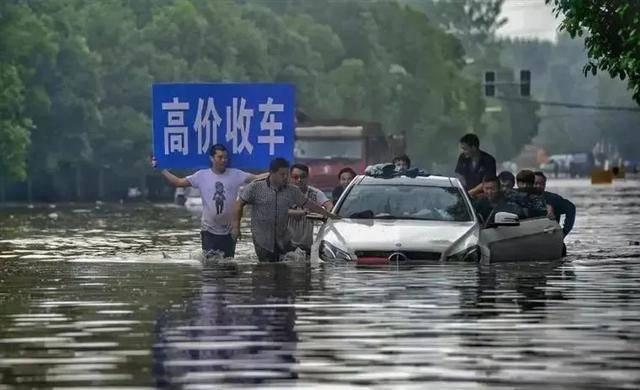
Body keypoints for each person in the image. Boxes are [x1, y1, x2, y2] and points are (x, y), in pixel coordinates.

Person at [152, 144, 266, 258]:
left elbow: (256, 178)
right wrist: (162, 169)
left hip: (230, 229)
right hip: (209, 229)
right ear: (212, 158)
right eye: (220, 157)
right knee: (210, 265)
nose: (223, 160)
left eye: (225, 157)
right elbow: (178, 182)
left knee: (229, 264)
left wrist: (276, 172)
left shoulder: (235, 174)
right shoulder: (202, 175)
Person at [232, 158, 339, 262]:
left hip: (283, 239)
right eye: (282, 174)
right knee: (266, 270)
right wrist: (236, 226)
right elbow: (239, 204)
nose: (285, 177)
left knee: (286, 270)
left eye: (287, 174)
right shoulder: (255, 187)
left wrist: (330, 215)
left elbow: (310, 204)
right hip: (262, 239)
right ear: (272, 173)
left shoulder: (292, 191)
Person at [288, 163, 334, 254]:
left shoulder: (314, 193)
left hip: (306, 244)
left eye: (303, 177)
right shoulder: (283, 193)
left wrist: (324, 215)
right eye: (295, 177)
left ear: (308, 177)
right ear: (290, 177)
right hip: (285, 243)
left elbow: (329, 205)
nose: (299, 180)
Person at [534, 171, 576, 236]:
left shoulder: (553, 198)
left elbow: (571, 208)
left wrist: (563, 233)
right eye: (535, 183)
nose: (538, 186)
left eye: (542, 184)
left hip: (550, 238)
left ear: (545, 184)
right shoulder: (519, 197)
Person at [455, 133, 496, 198]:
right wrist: (462, 191)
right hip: (465, 194)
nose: (463, 151)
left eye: (465, 149)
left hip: (482, 196)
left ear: (474, 148)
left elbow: (488, 181)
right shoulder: (462, 157)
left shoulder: (489, 160)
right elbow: (459, 175)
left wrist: (471, 192)